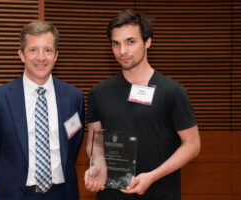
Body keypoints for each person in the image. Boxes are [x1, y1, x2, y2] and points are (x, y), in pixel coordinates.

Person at [84, 9, 200, 200]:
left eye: (130, 42)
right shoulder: (99, 92)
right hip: (111, 195)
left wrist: (152, 176)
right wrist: (98, 164)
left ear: (147, 42)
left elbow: (193, 145)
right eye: (116, 44)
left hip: (160, 193)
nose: (122, 51)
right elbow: (95, 140)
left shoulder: (172, 91)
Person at [0, 20, 85, 200]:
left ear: (56, 55)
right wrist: (7, 184)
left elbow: (73, 147)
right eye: (33, 50)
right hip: (16, 194)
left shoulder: (74, 97)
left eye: (48, 50)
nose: (41, 57)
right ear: (22, 55)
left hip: (62, 194)